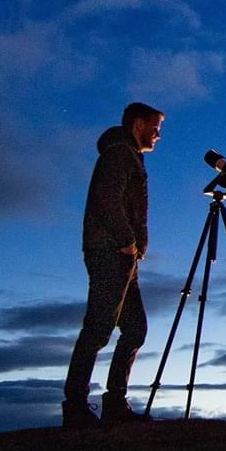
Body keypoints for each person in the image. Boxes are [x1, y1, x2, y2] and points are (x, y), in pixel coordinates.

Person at [63, 102, 162, 428]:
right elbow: (106, 199)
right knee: (98, 328)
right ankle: (75, 405)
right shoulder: (119, 154)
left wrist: (133, 247)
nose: (158, 134)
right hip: (110, 251)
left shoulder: (129, 156)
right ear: (138, 124)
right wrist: (126, 240)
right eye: (155, 126)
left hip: (121, 254)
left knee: (134, 328)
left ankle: (115, 402)